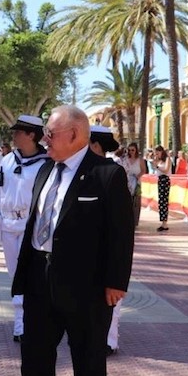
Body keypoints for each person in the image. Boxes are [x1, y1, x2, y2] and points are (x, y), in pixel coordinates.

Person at [7, 105, 134, 376]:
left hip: (87, 285)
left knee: (87, 352)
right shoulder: (46, 170)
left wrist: (116, 283)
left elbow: (121, 234)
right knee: (35, 347)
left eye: (51, 133)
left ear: (75, 135)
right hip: (39, 274)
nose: (44, 139)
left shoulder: (107, 174)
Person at [0, 115, 48, 343]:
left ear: (31, 135)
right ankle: (20, 323)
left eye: (19, 132)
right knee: (15, 275)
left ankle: (29, 321)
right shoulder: (8, 160)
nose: (14, 135)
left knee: (32, 275)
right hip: (8, 225)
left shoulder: (47, 163)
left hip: (33, 227)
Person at [88, 126, 124, 357]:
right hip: (87, 247)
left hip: (108, 244)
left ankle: (109, 341)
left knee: (112, 299)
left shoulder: (113, 172)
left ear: (97, 146)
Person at [121, 142, 146, 228]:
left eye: (133, 150)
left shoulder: (140, 160)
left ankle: (134, 221)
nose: (131, 152)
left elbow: (143, 170)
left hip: (137, 181)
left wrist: (138, 176)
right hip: (127, 181)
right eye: (129, 150)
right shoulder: (125, 159)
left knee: (136, 202)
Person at [153, 145, 171, 231]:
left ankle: (165, 222)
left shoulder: (167, 159)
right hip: (160, 179)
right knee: (161, 201)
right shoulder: (158, 161)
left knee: (164, 200)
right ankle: (163, 221)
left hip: (165, 179)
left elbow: (166, 170)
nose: (157, 154)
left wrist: (157, 166)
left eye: (158, 152)